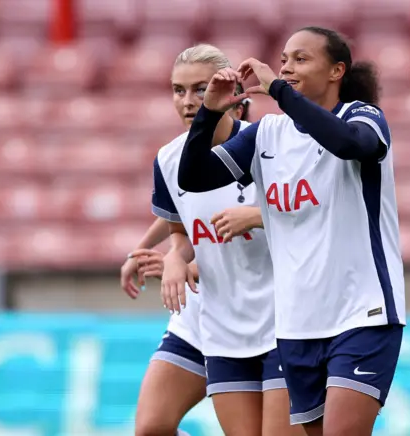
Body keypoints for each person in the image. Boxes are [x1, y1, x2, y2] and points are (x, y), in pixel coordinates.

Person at [177, 27, 406, 436]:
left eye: (301, 59)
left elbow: (349, 144)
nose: (286, 67)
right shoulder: (267, 134)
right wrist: (210, 112)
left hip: (362, 313)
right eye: (284, 59)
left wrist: (280, 91)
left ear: (337, 70)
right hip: (297, 324)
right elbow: (193, 177)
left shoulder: (362, 118)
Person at [138, 44, 303, 436]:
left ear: (232, 95)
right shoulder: (168, 160)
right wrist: (175, 258)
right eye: (179, 90)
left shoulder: (270, 144)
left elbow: (315, 217)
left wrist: (259, 217)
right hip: (219, 319)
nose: (189, 100)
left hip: (283, 318)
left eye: (200, 88)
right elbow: (181, 231)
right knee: (150, 428)